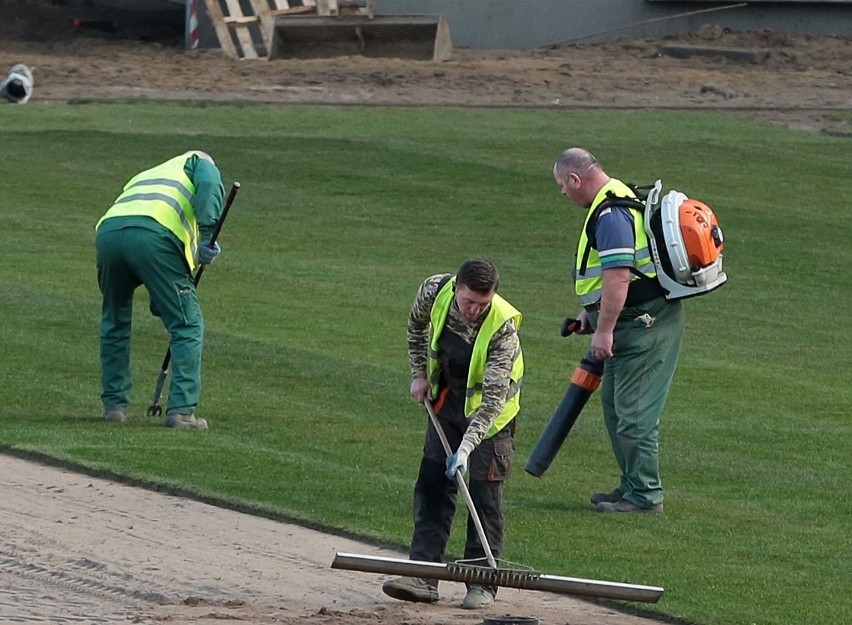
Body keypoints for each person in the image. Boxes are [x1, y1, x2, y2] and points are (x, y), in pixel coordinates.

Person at [382, 258, 524, 610]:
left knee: (483, 495)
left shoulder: (502, 328)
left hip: (491, 420)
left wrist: (465, 450)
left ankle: (482, 582)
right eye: (469, 302)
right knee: (432, 485)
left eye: (483, 303)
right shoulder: (434, 291)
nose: (475, 310)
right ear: (456, 288)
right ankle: (423, 575)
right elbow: (416, 329)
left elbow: (491, 402)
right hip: (446, 401)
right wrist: (419, 374)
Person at [552, 147, 684, 514]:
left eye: (563, 185)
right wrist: (588, 313)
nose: (563, 193)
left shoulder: (610, 214)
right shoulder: (619, 197)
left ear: (576, 179)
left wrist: (603, 330)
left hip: (643, 325)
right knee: (615, 408)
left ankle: (645, 497)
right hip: (635, 319)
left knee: (634, 412)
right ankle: (630, 486)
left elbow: (620, 275)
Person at [95, 150, 225, 429]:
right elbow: (211, 184)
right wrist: (208, 233)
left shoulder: (150, 175)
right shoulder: (198, 161)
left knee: (114, 319)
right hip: (154, 237)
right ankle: (182, 411)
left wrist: (164, 308)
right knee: (188, 324)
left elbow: (160, 298)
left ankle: (114, 406)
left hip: (108, 235)